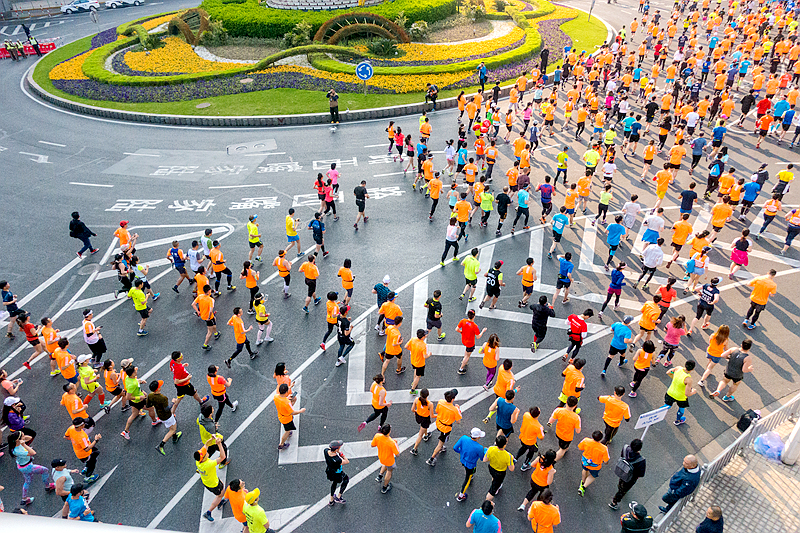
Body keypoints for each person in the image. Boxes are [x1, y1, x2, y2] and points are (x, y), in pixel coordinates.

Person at [10, 431, 54, 506]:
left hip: (23, 466)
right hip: (28, 466)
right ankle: (48, 486)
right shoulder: (18, 450)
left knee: (27, 481)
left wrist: (23, 439)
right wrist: (24, 444)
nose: (25, 436)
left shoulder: (15, 445)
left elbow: (30, 438)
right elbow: (33, 453)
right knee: (45, 470)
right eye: (23, 436)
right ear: (18, 440)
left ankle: (24, 498)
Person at [427, 388, 462, 466]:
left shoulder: (440, 402)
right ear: (453, 399)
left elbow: (437, 411)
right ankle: (431, 458)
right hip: (446, 429)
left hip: (438, 423)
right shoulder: (454, 410)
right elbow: (458, 421)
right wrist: (458, 409)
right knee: (440, 443)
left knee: (441, 439)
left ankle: (441, 447)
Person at [146, 380, 182, 456]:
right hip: (167, 416)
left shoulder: (150, 395)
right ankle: (161, 445)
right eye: (159, 386)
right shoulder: (163, 398)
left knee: (171, 427)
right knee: (173, 429)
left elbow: (148, 405)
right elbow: (167, 409)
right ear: (158, 389)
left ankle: (175, 436)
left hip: (160, 415)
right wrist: (173, 402)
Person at [196, 438, 228, 522]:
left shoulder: (198, 462)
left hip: (207, 482)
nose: (207, 453)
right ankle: (209, 512)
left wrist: (210, 440)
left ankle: (219, 502)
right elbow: (223, 457)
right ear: (203, 458)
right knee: (220, 495)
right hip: (214, 484)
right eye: (205, 454)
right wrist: (219, 444)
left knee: (221, 492)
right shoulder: (208, 464)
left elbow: (205, 445)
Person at [609, 439, 646, 510]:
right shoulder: (641, 460)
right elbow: (641, 473)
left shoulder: (625, 448)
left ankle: (620, 487)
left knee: (621, 481)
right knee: (622, 490)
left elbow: (622, 456)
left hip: (622, 469)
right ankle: (614, 502)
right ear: (640, 449)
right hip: (630, 477)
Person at [663, 360, 697, 426]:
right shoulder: (688, 379)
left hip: (670, 392)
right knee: (681, 409)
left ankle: (656, 414)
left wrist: (674, 378)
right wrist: (693, 392)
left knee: (667, 406)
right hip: (681, 397)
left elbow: (668, 372)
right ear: (693, 369)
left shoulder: (678, 368)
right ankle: (678, 420)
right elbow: (687, 394)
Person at [482, 434, 515, 502]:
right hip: (500, 473)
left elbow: (485, 460)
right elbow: (511, 469)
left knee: (494, 478)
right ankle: (486, 503)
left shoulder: (491, 448)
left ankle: (496, 483)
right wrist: (512, 460)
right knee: (492, 491)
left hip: (491, 468)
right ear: (505, 445)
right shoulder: (508, 455)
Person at [577, 430, 610, 496]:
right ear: (601, 439)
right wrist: (605, 462)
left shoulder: (586, 440)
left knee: (585, 470)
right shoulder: (604, 448)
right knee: (593, 476)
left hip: (585, 462)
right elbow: (606, 460)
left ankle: (582, 482)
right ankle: (583, 487)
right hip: (595, 466)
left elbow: (580, 448)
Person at [549, 395, 581, 461]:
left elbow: (551, 421)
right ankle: (552, 461)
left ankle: (562, 446)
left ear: (566, 402)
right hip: (567, 437)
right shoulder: (576, 417)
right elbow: (578, 431)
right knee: (562, 450)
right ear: (575, 406)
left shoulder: (558, 410)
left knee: (560, 442)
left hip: (558, 432)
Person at [372, 424, 401, 494]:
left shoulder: (377, 436)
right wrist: (396, 443)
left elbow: (372, 445)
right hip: (389, 460)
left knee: (384, 464)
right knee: (389, 471)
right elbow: (397, 454)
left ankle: (380, 475)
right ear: (389, 432)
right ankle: (385, 487)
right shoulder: (392, 442)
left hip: (381, 457)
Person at [274, 383, 304, 450]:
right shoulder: (287, 402)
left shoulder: (276, 397)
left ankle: (288, 433)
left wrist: (287, 396)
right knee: (287, 431)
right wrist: (300, 411)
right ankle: (281, 444)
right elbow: (292, 412)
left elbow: (281, 398)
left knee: (287, 429)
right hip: (286, 419)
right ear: (286, 392)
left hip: (280, 415)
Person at [456, 309, 487, 374]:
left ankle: (464, 361)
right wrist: (483, 331)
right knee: (468, 356)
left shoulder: (463, 321)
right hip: (470, 343)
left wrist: (461, 332)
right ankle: (461, 368)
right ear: (474, 316)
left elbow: (457, 329)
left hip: (464, 340)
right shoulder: (475, 326)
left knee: (466, 352)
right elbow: (478, 337)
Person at [324, 440, 349, 506]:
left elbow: (329, 450)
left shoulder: (326, 451)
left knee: (334, 484)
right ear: (336, 449)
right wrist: (341, 453)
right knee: (346, 479)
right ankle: (339, 497)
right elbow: (346, 461)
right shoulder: (337, 459)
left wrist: (336, 450)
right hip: (338, 473)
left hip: (330, 471)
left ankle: (331, 500)